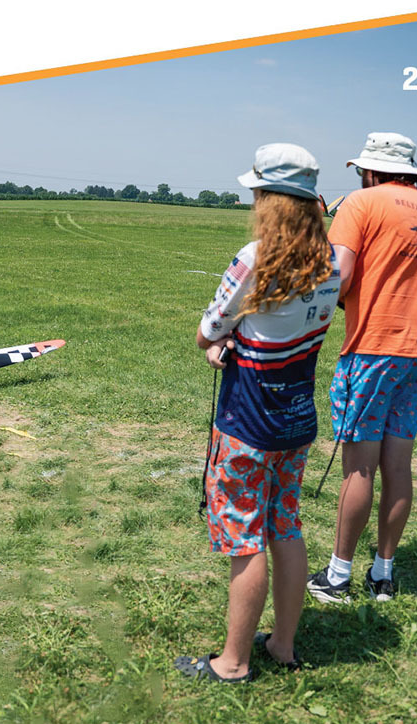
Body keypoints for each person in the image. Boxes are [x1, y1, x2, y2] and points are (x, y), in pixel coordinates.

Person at [175, 143, 341, 682]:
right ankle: (284, 647)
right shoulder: (335, 261)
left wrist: (212, 347)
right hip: (297, 418)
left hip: (248, 422)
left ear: (269, 200)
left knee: (245, 541)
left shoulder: (254, 256)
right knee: (285, 527)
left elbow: (208, 331)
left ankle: (233, 662)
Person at [306, 133, 417, 604]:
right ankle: (384, 574)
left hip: (371, 351)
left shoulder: (360, 204)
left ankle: (338, 576)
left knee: (359, 469)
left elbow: (340, 279)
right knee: (399, 465)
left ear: (370, 171)